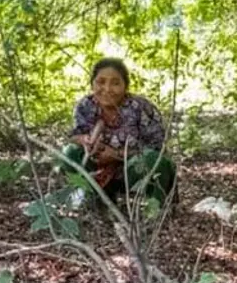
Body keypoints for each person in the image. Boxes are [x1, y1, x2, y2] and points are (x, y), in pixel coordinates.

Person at [63, 58, 176, 203]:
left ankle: (155, 210)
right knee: (69, 152)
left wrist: (117, 155)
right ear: (92, 84)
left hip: (133, 171)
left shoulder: (140, 108)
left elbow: (159, 151)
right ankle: (94, 201)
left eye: (115, 83)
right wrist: (85, 140)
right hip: (99, 170)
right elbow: (74, 135)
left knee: (155, 160)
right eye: (101, 82)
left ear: (125, 86)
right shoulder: (85, 106)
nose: (107, 89)